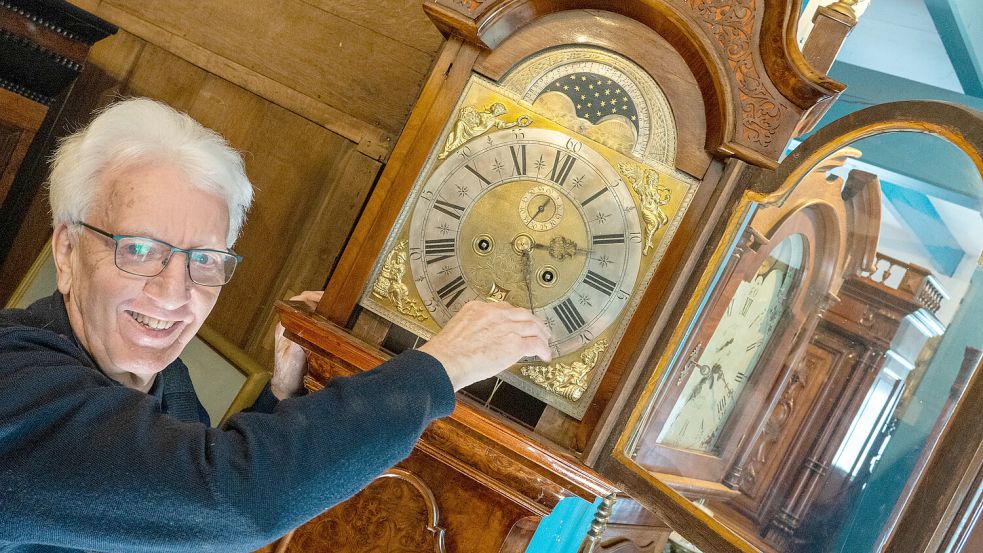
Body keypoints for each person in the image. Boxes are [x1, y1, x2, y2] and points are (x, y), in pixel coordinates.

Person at [0, 98, 551, 553]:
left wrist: (280, 396)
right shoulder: (16, 384)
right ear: (67, 252)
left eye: (205, 260)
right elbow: (231, 500)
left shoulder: (163, 385)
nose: (175, 292)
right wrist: (444, 365)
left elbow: (179, 502)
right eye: (140, 249)